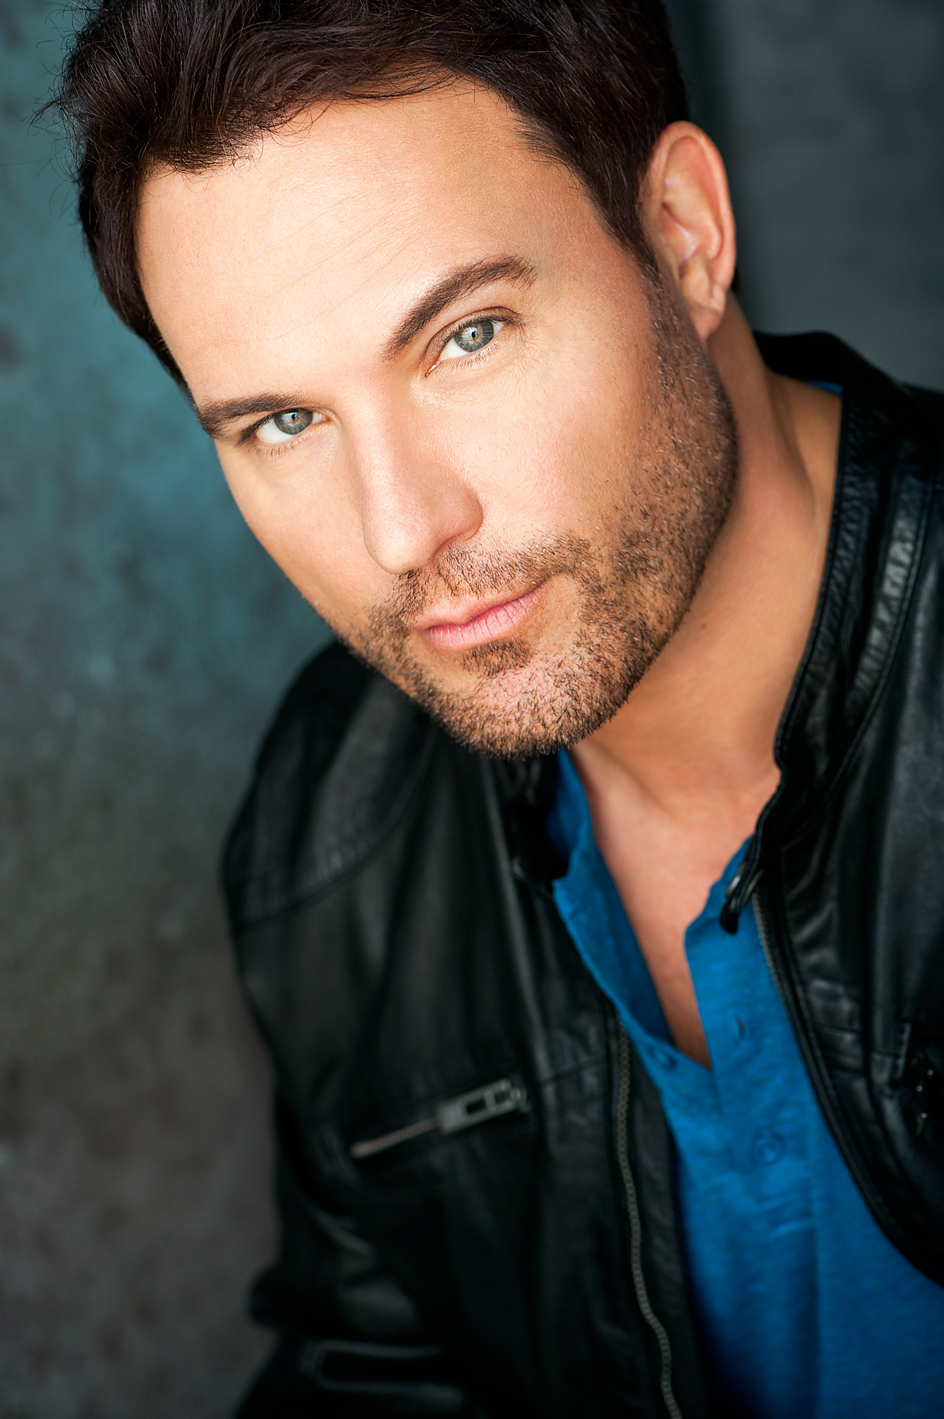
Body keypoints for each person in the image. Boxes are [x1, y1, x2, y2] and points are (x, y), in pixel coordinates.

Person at [54, 2, 944, 1415]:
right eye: (284, 422)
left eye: (466, 336)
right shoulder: (335, 827)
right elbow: (380, 1375)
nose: (403, 530)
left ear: (684, 236)